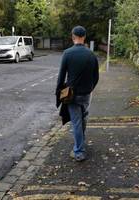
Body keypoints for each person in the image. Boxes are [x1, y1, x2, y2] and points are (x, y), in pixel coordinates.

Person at [56, 26, 99, 162]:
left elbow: (61, 76)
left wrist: (58, 93)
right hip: (86, 94)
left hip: (72, 95)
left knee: (76, 122)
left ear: (73, 36)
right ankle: (81, 141)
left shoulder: (67, 53)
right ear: (84, 37)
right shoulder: (91, 54)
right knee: (83, 117)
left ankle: (79, 151)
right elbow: (96, 76)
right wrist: (90, 88)